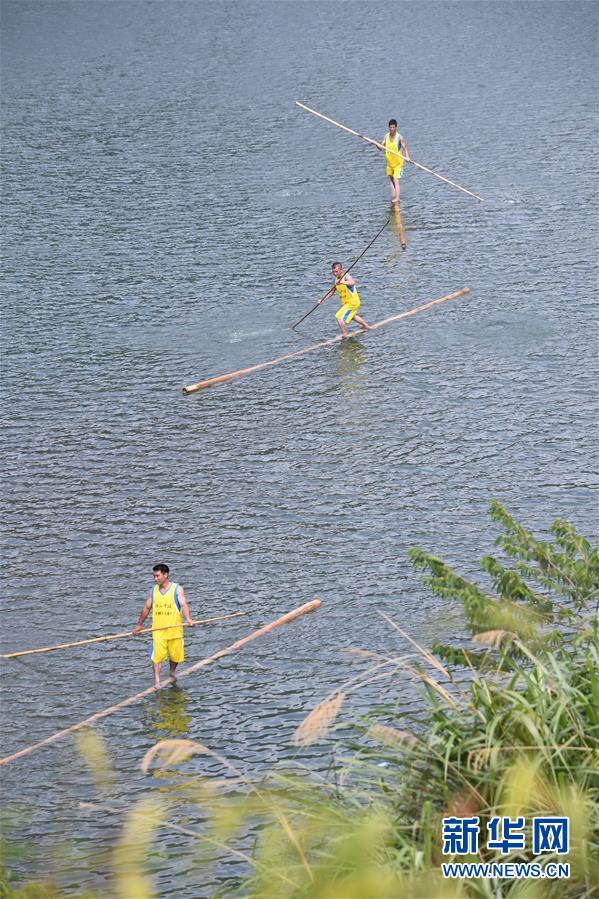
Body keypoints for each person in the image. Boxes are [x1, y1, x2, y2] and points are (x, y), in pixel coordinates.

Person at [133, 563, 194, 688]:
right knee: (157, 657)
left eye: (157, 576)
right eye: (154, 576)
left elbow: (184, 605)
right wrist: (139, 625)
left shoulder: (177, 589)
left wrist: (188, 619)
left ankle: (172, 672)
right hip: (158, 631)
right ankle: (157, 680)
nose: (155, 579)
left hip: (175, 630)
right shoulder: (153, 590)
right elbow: (146, 608)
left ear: (166, 575)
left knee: (175, 656)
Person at [319, 262, 372, 338]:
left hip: (352, 302)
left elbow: (352, 282)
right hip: (347, 303)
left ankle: (344, 334)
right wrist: (322, 300)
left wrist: (342, 282)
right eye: (333, 272)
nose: (335, 273)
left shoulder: (346, 276)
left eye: (336, 271)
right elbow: (331, 292)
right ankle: (366, 326)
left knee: (339, 317)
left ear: (341, 270)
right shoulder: (336, 280)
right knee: (353, 316)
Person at [380, 118, 411, 205]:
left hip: (398, 163)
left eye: (393, 127)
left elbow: (404, 147)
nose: (391, 129)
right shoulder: (386, 136)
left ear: (396, 128)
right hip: (390, 163)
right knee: (391, 178)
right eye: (390, 127)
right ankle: (396, 194)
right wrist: (376, 144)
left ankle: (397, 198)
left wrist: (408, 157)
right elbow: (381, 147)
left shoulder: (399, 137)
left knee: (396, 179)